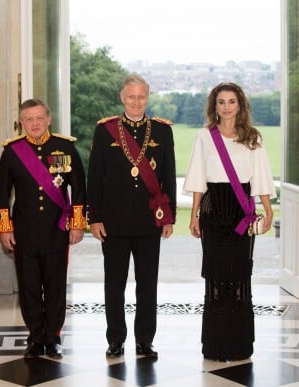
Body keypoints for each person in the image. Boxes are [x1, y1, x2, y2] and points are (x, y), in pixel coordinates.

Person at [183, 82, 276, 361]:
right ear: (214, 106)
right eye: (221, 102)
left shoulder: (252, 138)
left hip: (241, 213)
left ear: (240, 105)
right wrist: (194, 215)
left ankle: (239, 344)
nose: (226, 107)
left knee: (239, 278)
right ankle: (214, 345)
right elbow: (199, 177)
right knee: (215, 278)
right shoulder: (204, 136)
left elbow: (260, 177)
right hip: (213, 210)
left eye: (231, 101)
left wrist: (269, 212)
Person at [87, 74, 176, 358]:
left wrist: (169, 217)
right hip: (113, 221)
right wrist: (95, 217)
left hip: (150, 221)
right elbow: (95, 179)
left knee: (147, 284)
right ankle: (115, 338)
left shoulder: (162, 131)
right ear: (122, 98)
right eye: (131, 97)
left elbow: (168, 176)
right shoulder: (106, 131)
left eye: (141, 97)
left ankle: (144, 340)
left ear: (147, 98)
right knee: (114, 284)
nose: (136, 102)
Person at [0, 98, 86, 359]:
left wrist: (77, 224)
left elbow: (79, 189)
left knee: (55, 286)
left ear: (48, 119)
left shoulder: (64, 147)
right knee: (29, 286)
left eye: (39, 118)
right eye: (28, 119)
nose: (34, 123)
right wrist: (5, 229)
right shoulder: (12, 151)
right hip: (24, 233)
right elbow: (2, 195)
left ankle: (53, 337)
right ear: (21, 123)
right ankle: (35, 338)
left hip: (56, 230)